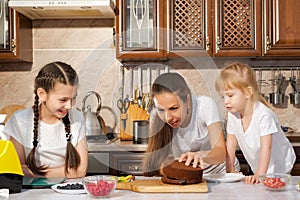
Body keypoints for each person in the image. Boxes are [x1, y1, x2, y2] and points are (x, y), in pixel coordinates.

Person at [143, 72, 240, 176]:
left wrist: (199, 155)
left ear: (187, 100)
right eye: (161, 110)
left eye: (174, 108)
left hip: (221, 173)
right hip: (188, 175)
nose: (168, 118)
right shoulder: (155, 115)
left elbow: (220, 152)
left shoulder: (205, 106)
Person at [3, 61, 88, 178]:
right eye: (63, 100)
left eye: (73, 98)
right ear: (42, 94)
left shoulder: (77, 118)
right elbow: (19, 171)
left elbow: (80, 170)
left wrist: (35, 173)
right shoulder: (19, 121)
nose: (69, 106)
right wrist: (65, 172)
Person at [215, 62, 296, 184]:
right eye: (223, 97)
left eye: (230, 95)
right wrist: (230, 172)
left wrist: (259, 175)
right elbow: (230, 147)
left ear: (247, 93)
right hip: (260, 167)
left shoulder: (263, 114)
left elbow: (266, 147)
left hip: (281, 167)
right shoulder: (232, 114)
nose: (226, 101)